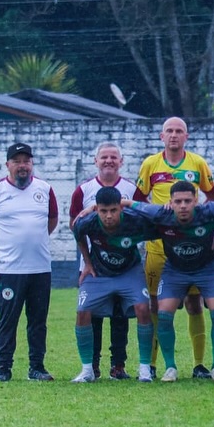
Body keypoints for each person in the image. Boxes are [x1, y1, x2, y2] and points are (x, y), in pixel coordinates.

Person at [123, 181, 214, 382]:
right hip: (175, 270)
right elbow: (130, 204)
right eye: (178, 201)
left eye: (188, 200)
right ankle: (170, 367)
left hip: (208, 268)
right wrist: (94, 207)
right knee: (163, 313)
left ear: (196, 201)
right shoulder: (162, 214)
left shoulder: (208, 212)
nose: (183, 205)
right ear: (171, 202)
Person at [135, 117, 214, 379]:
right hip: (159, 249)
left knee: (195, 304)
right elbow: (140, 201)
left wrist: (202, 226)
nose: (174, 135)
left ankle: (199, 364)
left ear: (186, 136)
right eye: (169, 131)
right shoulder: (151, 163)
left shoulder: (197, 163)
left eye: (179, 131)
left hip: (192, 248)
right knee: (155, 307)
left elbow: (213, 196)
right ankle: (151, 365)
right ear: (162, 136)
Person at [0, 143, 58, 382]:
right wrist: (5, 245)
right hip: (10, 269)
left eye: (26, 161)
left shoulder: (45, 189)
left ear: (31, 164)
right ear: (8, 165)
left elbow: (52, 221)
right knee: (8, 320)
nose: (22, 166)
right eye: (17, 161)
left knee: (37, 321)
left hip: (40, 268)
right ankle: (3, 369)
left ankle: (37, 367)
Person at [71, 187, 157, 382]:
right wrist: (87, 262)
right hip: (99, 273)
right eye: (103, 211)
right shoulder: (87, 222)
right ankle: (87, 370)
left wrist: (130, 203)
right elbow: (78, 233)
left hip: (130, 272)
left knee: (144, 308)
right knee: (82, 310)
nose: (108, 216)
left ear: (121, 208)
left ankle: (144, 369)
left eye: (113, 210)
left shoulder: (135, 221)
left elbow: (159, 219)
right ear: (97, 210)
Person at [70, 142, 139, 380]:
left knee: (121, 314)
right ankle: (93, 366)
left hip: (124, 262)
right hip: (93, 262)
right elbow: (74, 225)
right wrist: (86, 261)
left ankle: (118, 365)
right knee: (94, 313)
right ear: (95, 161)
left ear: (121, 161)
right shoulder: (83, 189)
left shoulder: (131, 188)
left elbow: (143, 215)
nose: (108, 161)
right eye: (104, 157)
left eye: (113, 157)